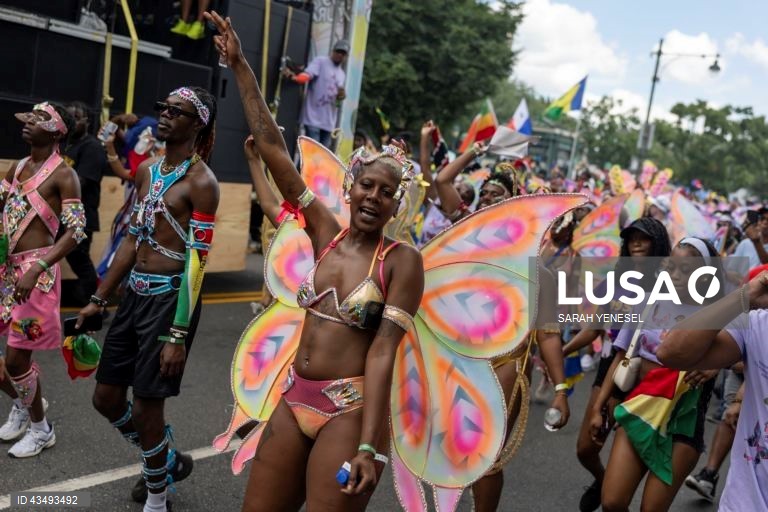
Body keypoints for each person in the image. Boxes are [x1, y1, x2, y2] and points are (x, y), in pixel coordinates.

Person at [208, 11, 424, 510]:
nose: (373, 197)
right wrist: (240, 67)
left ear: (397, 204)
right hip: (294, 395)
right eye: (366, 185)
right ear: (350, 188)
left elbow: (382, 351)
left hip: (348, 413)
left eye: (386, 192)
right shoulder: (325, 232)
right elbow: (272, 149)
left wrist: (371, 445)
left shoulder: (401, 262)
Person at [77, 86, 219, 512]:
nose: (165, 115)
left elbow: (197, 264)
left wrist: (177, 334)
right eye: (164, 108)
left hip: (169, 304)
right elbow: (132, 240)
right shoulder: (147, 172)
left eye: (178, 112)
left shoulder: (202, 183)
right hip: (133, 296)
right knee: (105, 398)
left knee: (146, 408)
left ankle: (158, 498)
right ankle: (165, 459)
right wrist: (99, 299)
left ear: (198, 124)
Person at [592, 237, 723, 512]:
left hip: (683, 421)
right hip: (641, 408)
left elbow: (744, 356)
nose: (675, 275)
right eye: (671, 267)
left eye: (685, 270)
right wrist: (598, 406)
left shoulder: (716, 314)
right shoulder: (649, 303)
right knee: (612, 502)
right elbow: (621, 355)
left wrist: (716, 364)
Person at [561, 217, 672, 512]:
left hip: (647, 371)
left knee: (624, 454)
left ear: (658, 244)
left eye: (644, 238)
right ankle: (603, 479)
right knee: (586, 448)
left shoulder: (669, 282)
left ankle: (614, 491)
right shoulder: (614, 280)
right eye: (631, 237)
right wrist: (562, 351)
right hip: (613, 364)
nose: (636, 242)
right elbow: (596, 328)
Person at [0, 102, 83, 457]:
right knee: (15, 368)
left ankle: (40, 428)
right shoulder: (15, 167)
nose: (25, 126)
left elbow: (76, 231)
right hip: (6, 272)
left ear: (54, 131)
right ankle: (25, 402)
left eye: (34, 122)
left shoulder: (64, 175)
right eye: (26, 120)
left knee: (17, 360)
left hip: (37, 279)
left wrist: (37, 268)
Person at [62, 101, 107, 305]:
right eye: (68, 118)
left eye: (76, 118)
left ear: (87, 122)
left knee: (79, 260)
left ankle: (96, 305)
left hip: (82, 216)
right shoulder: (69, 144)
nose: (72, 122)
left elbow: (80, 182)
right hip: (63, 214)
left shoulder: (93, 147)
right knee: (75, 258)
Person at [683, 366, 744, 502]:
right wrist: (718, 363)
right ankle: (709, 475)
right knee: (729, 417)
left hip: (761, 374)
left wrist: (740, 399)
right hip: (740, 370)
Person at [284, 39, 348, 148]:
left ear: (346, 56)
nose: (340, 55)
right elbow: (307, 76)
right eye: (338, 51)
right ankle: (299, 166)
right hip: (313, 118)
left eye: (343, 53)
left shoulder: (342, 74)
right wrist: (293, 77)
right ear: (333, 51)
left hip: (328, 122)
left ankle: (299, 166)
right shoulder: (321, 62)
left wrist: (341, 96)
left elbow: (337, 102)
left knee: (320, 158)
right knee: (313, 153)